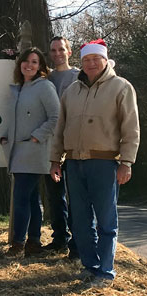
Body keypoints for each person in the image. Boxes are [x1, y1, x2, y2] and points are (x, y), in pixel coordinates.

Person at [50, 39, 139, 288]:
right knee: (79, 220)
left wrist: (126, 162)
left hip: (105, 163)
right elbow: (60, 129)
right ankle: (89, 267)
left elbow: (131, 129)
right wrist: (55, 159)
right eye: (86, 60)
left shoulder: (121, 87)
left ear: (105, 60)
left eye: (95, 59)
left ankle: (106, 271)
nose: (90, 64)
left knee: (106, 220)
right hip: (74, 163)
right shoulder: (72, 91)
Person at [0, 47, 59, 257]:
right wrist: (6, 136)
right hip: (18, 150)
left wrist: (36, 136)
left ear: (41, 66)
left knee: (21, 197)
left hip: (34, 151)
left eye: (35, 62)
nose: (30, 65)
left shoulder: (44, 87)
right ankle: (34, 243)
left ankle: (18, 244)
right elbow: (17, 119)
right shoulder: (19, 88)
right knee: (32, 198)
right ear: (20, 64)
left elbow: (56, 116)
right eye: (26, 61)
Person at [43, 36, 79, 257]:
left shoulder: (78, 76)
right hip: (50, 146)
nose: (57, 53)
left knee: (75, 196)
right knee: (54, 196)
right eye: (53, 50)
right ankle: (59, 239)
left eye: (61, 49)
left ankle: (78, 241)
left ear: (69, 51)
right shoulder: (46, 77)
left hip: (74, 144)